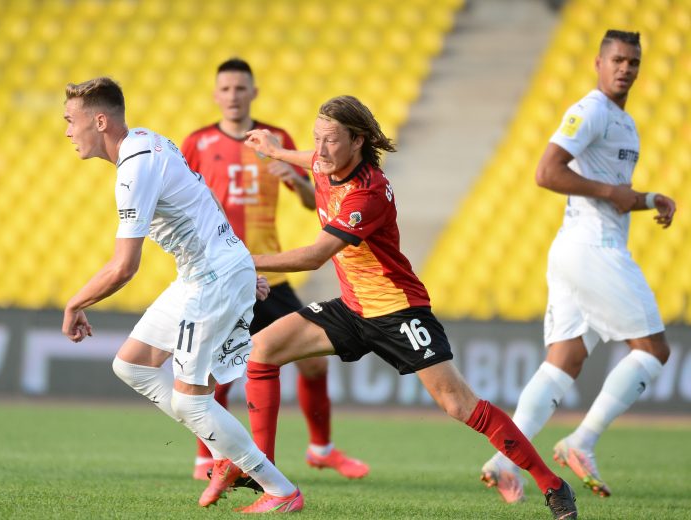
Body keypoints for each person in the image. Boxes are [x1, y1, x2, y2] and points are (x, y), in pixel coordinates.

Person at [229, 95, 577, 518]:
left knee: (460, 405)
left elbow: (314, 256)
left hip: (398, 311)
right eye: (316, 138)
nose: (320, 150)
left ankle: (553, 485)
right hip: (354, 308)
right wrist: (276, 150)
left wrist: (241, 259)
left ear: (357, 141)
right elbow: (313, 160)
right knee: (262, 350)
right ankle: (268, 480)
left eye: (331, 140)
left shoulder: (368, 193)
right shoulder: (328, 162)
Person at [60, 77, 303, 513]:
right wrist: (239, 259)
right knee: (132, 365)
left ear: (99, 121)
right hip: (204, 273)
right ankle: (225, 453)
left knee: (191, 401)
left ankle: (281, 491)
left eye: (70, 121)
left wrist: (75, 302)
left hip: (212, 279)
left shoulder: (135, 168)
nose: (67, 132)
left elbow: (124, 267)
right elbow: (204, 197)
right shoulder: (149, 140)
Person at [480, 29, 675, 503]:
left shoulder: (624, 123)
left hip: (576, 249)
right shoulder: (590, 111)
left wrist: (649, 198)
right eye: (617, 60)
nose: (625, 68)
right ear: (598, 63)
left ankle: (504, 460)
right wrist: (611, 193)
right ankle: (581, 442)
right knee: (654, 349)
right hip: (594, 249)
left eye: (633, 62)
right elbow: (547, 172)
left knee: (565, 360)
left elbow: (613, 191)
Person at [181, 58, 369, 484]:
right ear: (216, 95)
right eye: (226, 89)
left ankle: (321, 449)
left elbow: (311, 201)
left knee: (314, 365)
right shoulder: (197, 142)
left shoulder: (275, 139)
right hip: (223, 274)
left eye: (240, 88)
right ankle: (206, 457)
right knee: (216, 370)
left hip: (273, 275)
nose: (233, 96)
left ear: (254, 93)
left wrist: (298, 180)